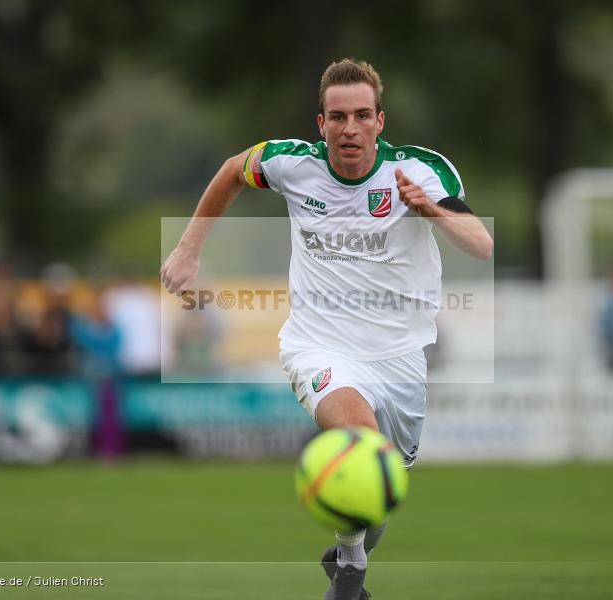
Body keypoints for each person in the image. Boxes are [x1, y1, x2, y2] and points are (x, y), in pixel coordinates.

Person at [161, 58, 493, 600]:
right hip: (317, 345)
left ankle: (348, 552)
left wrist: (429, 210)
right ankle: (351, 574)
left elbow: (480, 245)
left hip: (401, 357)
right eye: (338, 117)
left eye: (362, 115)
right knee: (359, 443)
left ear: (380, 121)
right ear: (322, 124)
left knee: (382, 492)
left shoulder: (419, 171)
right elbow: (233, 170)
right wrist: (187, 248)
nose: (350, 128)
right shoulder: (293, 164)